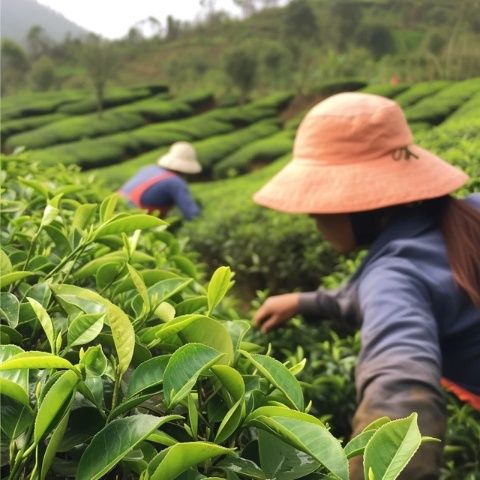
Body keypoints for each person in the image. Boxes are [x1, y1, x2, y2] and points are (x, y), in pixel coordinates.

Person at [253, 92, 480, 479]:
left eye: (319, 199)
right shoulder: (467, 213)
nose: (311, 213)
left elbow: (399, 391)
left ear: (358, 205)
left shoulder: (392, 276)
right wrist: (305, 301)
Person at [118, 141, 202, 220]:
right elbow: (192, 214)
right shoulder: (175, 182)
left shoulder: (149, 168)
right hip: (133, 216)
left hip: (117, 205)